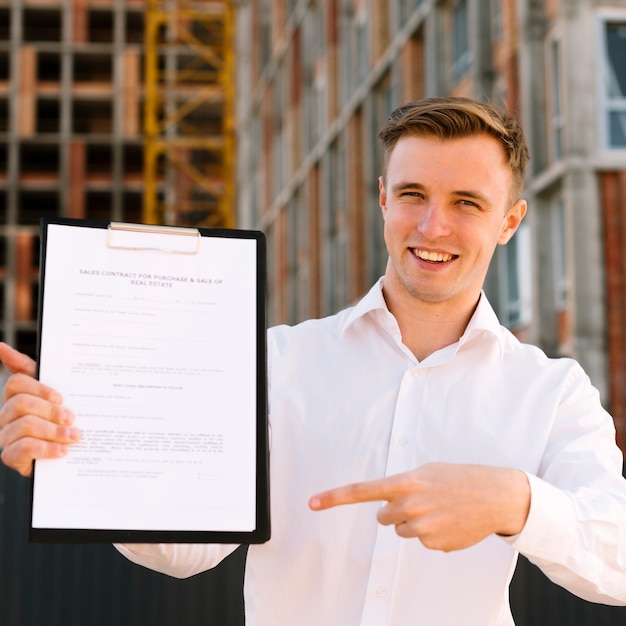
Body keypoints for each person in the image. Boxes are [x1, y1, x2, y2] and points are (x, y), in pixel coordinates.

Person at [1, 96, 626, 625]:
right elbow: (183, 550)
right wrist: (76, 458)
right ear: (383, 199)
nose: (433, 226)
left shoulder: (553, 391)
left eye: (467, 202)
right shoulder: (274, 361)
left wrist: (513, 502)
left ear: (510, 221)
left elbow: (618, 563)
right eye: (413, 194)